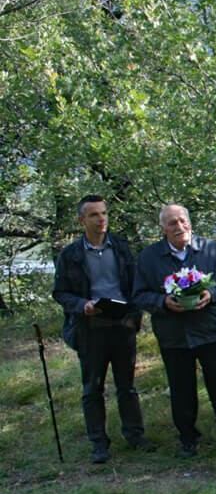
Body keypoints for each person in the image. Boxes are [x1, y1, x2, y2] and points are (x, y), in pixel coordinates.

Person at [133, 204, 216, 458]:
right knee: (181, 390)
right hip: (174, 335)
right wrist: (163, 302)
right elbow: (139, 294)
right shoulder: (149, 258)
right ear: (163, 229)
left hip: (212, 330)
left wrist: (211, 294)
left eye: (182, 221)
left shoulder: (210, 249)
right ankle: (188, 440)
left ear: (190, 223)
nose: (179, 227)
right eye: (172, 223)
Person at [53, 195, 153, 463]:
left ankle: (135, 436)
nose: (101, 219)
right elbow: (60, 293)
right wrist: (82, 305)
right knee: (92, 388)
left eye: (104, 213)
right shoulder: (71, 255)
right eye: (95, 215)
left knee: (127, 386)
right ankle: (99, 444)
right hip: (90, 329)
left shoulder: (120, 247)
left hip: (122, 326)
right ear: (82, 220)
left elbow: (135, 285)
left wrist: (134, 318)